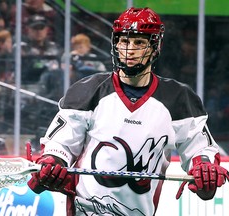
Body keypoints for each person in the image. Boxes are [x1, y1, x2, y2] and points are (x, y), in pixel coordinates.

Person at [27, 7, 229, 216]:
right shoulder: (88, 90)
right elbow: (60, 145)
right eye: (124, 41)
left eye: (139, 42)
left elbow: (201, 150)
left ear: (154, 47)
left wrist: (204, 168)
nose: (129, 49)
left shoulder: (178, 99)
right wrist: (53, 161)